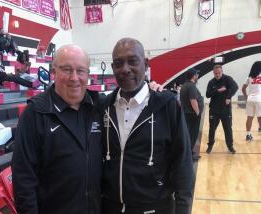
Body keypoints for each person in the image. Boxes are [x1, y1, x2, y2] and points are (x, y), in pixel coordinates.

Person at [101, 38, 194, 214]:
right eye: (119, 63)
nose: (125, 69)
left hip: (155, 208)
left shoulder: (167, 104)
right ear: (113, 68)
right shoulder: (104, 106)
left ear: (145, 63)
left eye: (132, 61)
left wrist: (183, 208)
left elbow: (183, 162)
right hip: (110, 207)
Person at [12, 44, 103, 213]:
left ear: (88, 74)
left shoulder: (99, 106)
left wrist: (152, 92)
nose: (74, 78)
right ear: (53, 73)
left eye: (81, 70)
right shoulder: (35, 113)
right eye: (67, 70)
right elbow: (23, 180)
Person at [206, 64, 238, 154]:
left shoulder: (228, 79)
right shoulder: (211, 82)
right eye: (215, 73)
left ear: (222, 71)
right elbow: (207, 95)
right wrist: (217, 91)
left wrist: (228, 97)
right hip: (214, 110)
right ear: (213, 73)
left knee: (228, 128)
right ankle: (210, 146)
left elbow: (235, 87)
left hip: (225, 110)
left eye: (219, 73)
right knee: (212, 129)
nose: (217, 75)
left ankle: (230, 146)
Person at [180, 68, 204, 161]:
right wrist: (198, 112)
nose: (197, 76)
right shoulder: (191, 86)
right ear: (194, 76)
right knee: (192, 134)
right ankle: (189, 155)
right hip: (192, 114)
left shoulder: (185, 85)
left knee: (189, 134)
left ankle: (189, 152)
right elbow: (193, 100)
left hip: (187, 113)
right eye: (196, 75)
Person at [242, 61, 261, 141]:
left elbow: (243, 89)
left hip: (250, 99)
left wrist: (247, 97)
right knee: (260, 117)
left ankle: (248, 135)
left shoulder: (249, 77)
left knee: (249, 118)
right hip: (259, 99)